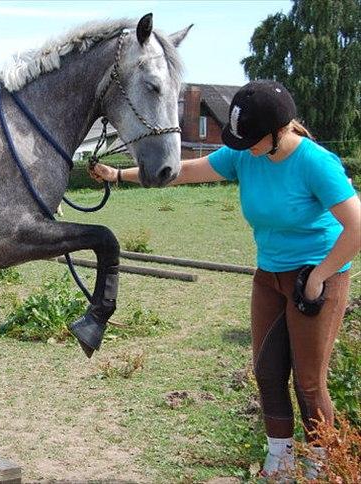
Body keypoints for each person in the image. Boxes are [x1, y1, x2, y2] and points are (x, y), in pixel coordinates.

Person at [89, 80, 360, 480]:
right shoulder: (245, 155)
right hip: (269, 276)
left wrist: (320, 276)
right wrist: (118, 174)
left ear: (280, 130)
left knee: (308, 380)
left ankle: (322, 466)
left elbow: (355, 227)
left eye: (251, 139)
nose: (243, 146)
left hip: (318, 277)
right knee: (267, 372)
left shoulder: (315, 164)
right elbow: (185, 172)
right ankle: (280, 461)